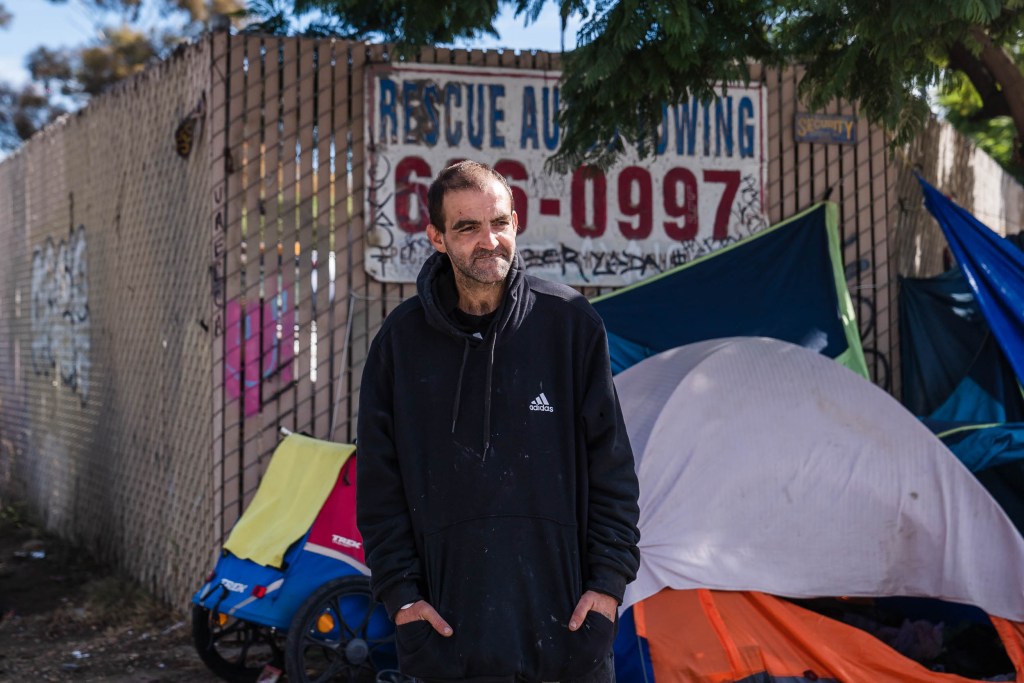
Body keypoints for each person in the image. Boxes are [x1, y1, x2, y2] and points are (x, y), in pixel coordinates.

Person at [356, 160, 641, 683]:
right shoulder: (399, 344)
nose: (489, 241)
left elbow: (613, 471)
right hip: (445, 647)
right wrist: (402, 599)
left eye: (500, 222)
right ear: (437, 238)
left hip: (569, 646)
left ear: (516, 222)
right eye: (467, 227)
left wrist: (606, 589)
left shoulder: (570, 325)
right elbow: (379, 488)